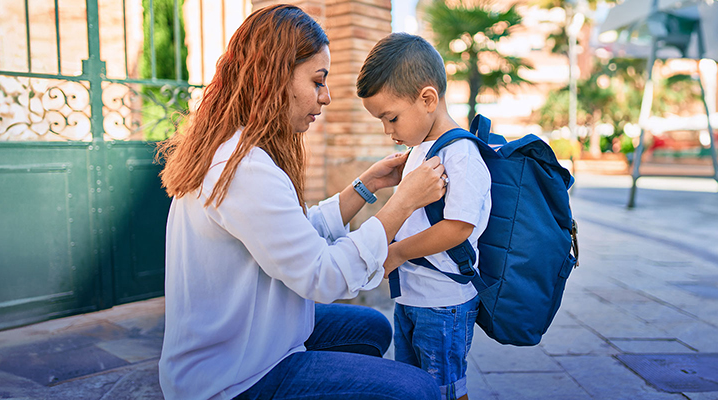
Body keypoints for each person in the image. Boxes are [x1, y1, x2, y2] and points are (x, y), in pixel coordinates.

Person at [156, 5, 448, 400]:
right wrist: (402, 204)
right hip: (233, 379)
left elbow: (293, 236)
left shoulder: (237, 152)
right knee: (418, 390)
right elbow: (323, 276)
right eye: (317, 80)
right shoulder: (243, 168)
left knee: (373, 328)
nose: (325, 97)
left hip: (250, 337)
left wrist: (366, 186)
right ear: (274, 76)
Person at [356, 32, 493, 400]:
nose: (389, 131)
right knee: (412, 387)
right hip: (413, 298)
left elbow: (458, 227)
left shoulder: (460, 152)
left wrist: (398, 252)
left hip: (444, 301)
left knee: (444, 390)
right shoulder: (421, 148)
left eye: (392, 118)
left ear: (428, 99)